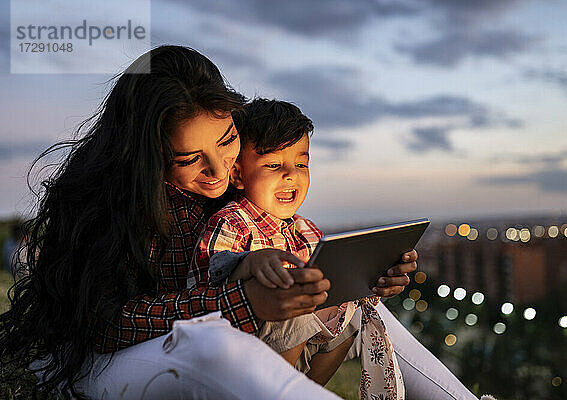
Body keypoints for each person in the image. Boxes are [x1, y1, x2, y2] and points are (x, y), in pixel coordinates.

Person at [0, 46, 418, 400]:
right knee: (208, 343)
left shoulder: (233, 195)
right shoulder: (108, 203)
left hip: (199, 345)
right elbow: (106, 323)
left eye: (227, 141)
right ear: (148, 156)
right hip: (99, 362)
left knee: (360, 307)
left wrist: (362, 277)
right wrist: (244, 301)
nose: (219, 170)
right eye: (188, 159)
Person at [189, 99, 404, 400]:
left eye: (301, 164)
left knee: (351, 313)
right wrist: (248, 263)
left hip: (298, 352)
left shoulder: (306, 231)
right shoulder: (232, 222)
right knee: (294, 302)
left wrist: (373, 278)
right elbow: (207, 280)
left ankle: (304, 391)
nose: (290, 174)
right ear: (237, 174)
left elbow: (333, 283)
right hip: (243, 350)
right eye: (274, 164)